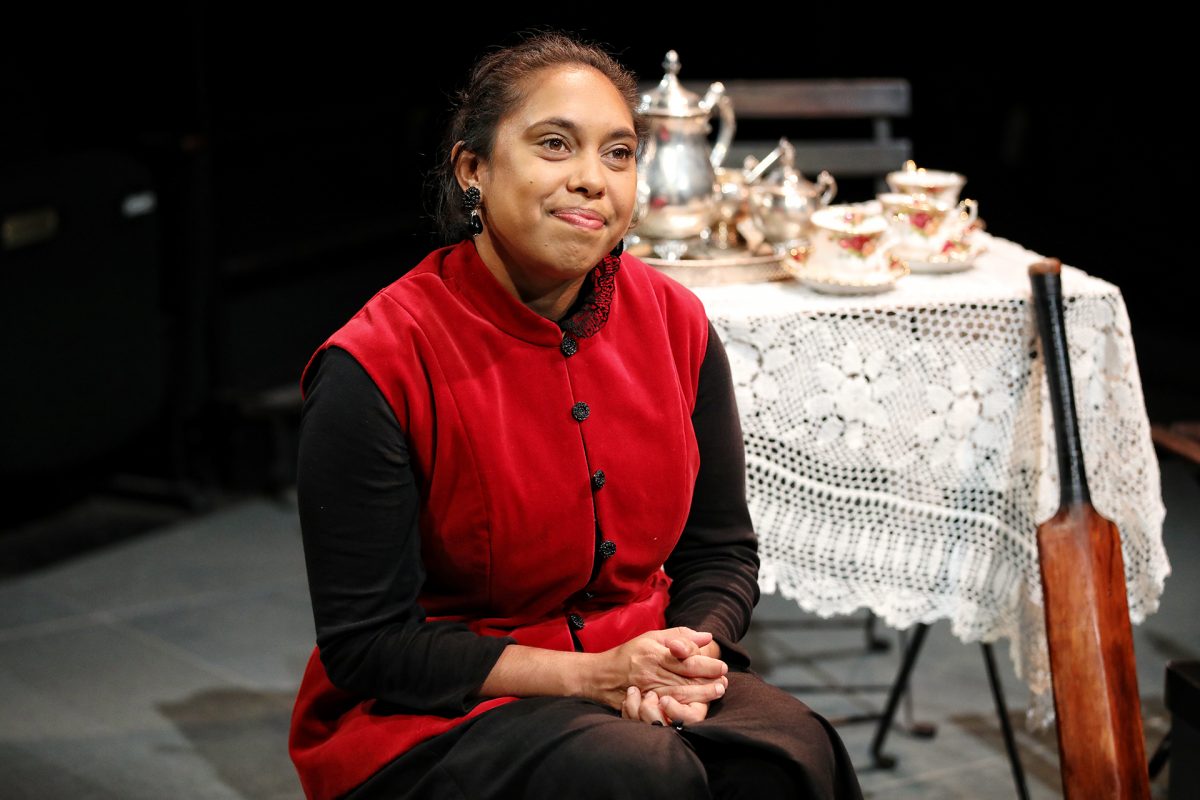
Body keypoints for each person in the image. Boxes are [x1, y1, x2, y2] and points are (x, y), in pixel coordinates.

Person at [288, 30, 863, 800]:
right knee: (635, 774)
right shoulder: (377, 363)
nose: (592, 179)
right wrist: (592, 677)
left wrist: (686, 657)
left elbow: (720, 552)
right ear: (473, 169)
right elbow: (371, 646)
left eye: (618, 153)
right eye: (555, 144)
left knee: (790, 753)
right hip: (439, 706)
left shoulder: (676, 322)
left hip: (640, 666)